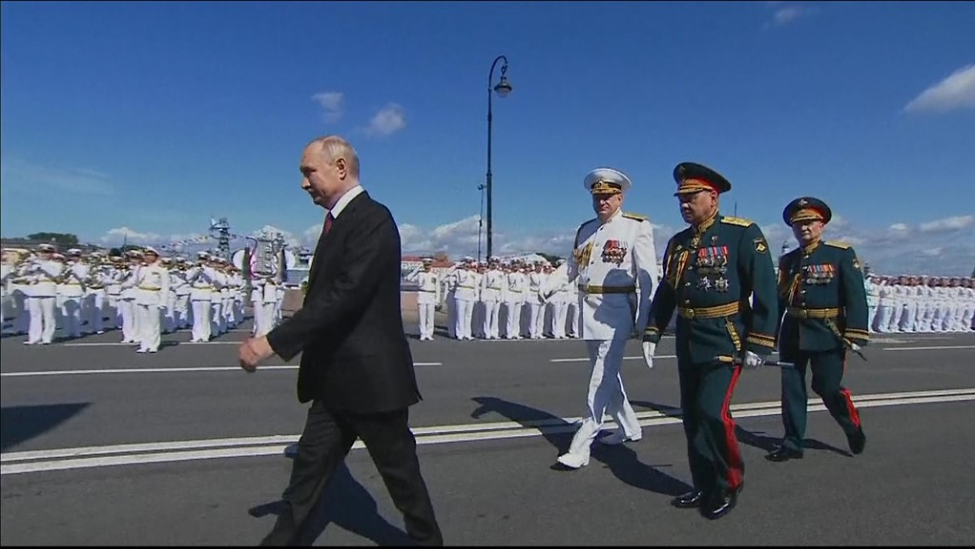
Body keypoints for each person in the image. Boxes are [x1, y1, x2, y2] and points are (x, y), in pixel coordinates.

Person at [237, 135, 442, 547]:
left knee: (402, 482)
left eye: (308, 171)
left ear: (341, 168)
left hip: (371, 382)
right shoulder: (337, 223)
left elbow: (345, 294)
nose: (303, 183)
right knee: (307, 477)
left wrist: (272, 342)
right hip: (333, 383)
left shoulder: (372, 219)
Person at [642, 162, 779, 520]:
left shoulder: (742, 234)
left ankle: (728, 482)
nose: (685, 204)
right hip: (689, 338)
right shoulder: (679, 242)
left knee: (712, 412)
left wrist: (760, 342)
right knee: (692, 416)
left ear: (713, 198)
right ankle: (702, 482)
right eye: (681, 199)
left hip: (725, 336)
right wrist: (653, 331)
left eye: (692, 197)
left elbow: (766, 291)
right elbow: (668, 290)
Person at [540, 167, 658, 469]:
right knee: (604, 373)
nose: (602, 202)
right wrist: (549, 286)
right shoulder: (586, 229)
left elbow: (647, 279)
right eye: (597, 197)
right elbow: (571, 266)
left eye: (607, 196)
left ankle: (581, 444)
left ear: (620, 198)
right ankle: (630, 427)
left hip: (617, 310)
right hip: (589, 310)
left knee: (600, 378)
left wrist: (647, 321)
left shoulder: (636, 227)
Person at [769, 197, 869, 463]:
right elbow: (779, 300)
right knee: (791, 388)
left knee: (826, 386)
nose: (804, 228)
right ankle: (792, 442)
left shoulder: (840, 254)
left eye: (809, 222)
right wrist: (766, 335)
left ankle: (851, 424)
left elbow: (855, 296)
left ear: (822, 225)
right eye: (798, 224)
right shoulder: (788, 260)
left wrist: (856, 333)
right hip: (793, 331)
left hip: (827, 331)